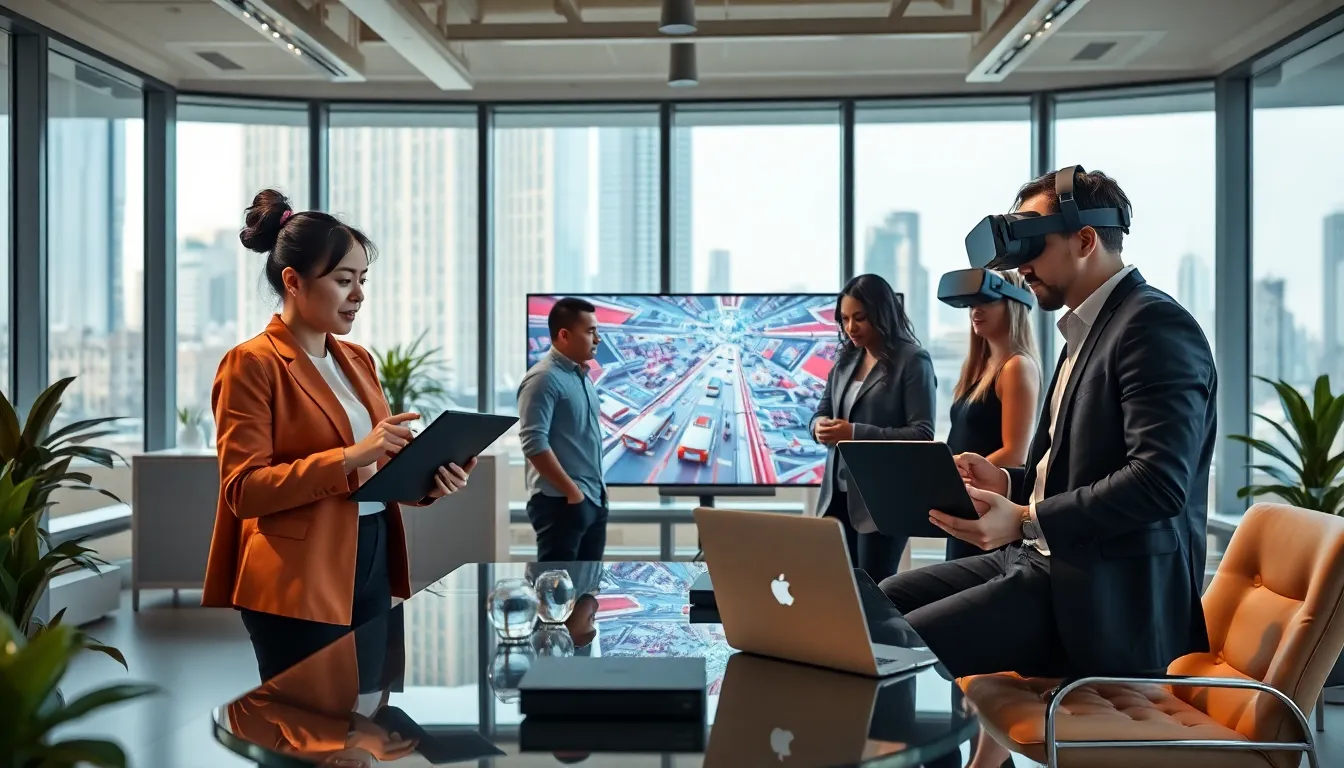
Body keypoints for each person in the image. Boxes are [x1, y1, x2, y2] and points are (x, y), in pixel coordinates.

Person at [879, 170, 1216, 768]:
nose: (1020, 268)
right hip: (1044, 566)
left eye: (1032, 248)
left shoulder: (1154, 326)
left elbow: (1161, 482)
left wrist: (1027, 518)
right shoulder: (1084, 332)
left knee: (895, 644)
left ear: (1086, 240)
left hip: (1102, 597)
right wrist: (1003, 481)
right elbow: (1060, 465)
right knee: (878, 606)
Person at [203, 189, 474, 682]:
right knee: (308, 727)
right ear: (293, 281)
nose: (359, 295)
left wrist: (430, 479)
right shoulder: (251, 364)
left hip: (370, 556)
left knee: (367, 712)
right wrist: (349, 456)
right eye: (344, 280)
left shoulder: (358, 360)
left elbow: (377, 469)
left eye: (362, 280)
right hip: (296, 572)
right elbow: (244, 491)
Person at [811, 273, 937, 584]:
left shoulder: (913, 360)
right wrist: (818, 427)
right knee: (838, 592)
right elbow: (821, 412)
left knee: (874, 595)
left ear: (882, 314)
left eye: (860, 318)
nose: (850, 328)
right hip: (836, 498)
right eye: (844, 319)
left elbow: (922, 434)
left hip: (883, 501)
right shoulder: (845, 360)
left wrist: (853, 434)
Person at [944, 269, 1040, 562]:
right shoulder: (976, 367)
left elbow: (1015, 453)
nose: (976, 310)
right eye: (972, 304)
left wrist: (950, 479)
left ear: (1012, 306)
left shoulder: (1016, 367)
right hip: (964, 501)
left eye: (986, 301)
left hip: (986, 505)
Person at [518, 297, 609, 563]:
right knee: (556, 594)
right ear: (564, 335)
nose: (598, 339)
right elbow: (533, 442)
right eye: (591, 331)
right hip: (561, 503)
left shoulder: (581, 376)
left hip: (592, 499)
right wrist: (572, 492)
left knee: (588, 589)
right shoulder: (543, 378)